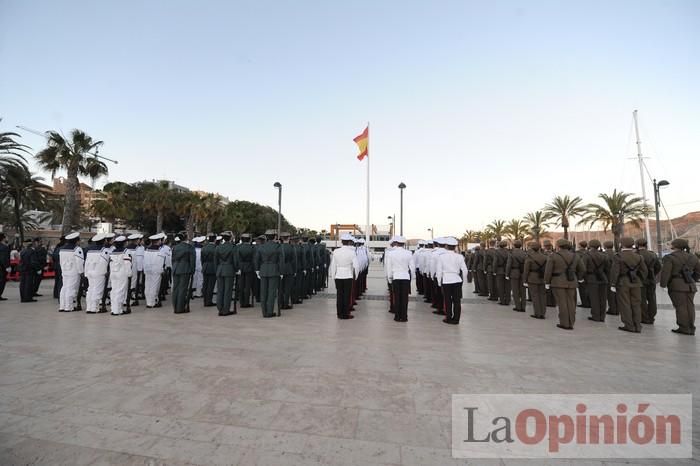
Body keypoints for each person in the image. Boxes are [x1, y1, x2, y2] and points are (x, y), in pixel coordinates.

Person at [660, 238, 699, 335]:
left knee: (680, 307)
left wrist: (663, 285)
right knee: (690, 306)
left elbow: (666, 272)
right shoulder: (693, 257)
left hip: (676, 285)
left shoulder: (669, 257)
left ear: (674, 246)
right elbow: (698, 271)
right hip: (690, 285)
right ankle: (691, 327)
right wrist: (691, 278)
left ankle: (684, 328)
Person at [544, 238, 585, 330]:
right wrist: (579, 278)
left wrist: (547, 282)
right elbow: (582, 269)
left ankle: (564, 323)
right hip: (572, 281)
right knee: (571, 303)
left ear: (558, 246)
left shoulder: (553, 256)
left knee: (562, 303)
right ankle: (571, 322)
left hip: (558, 282)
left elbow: (548, 271)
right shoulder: (575, 256)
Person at [610, 237, 648, 333]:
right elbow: (644, 271)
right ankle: (637, 325)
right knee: (636, 304)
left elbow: (615, 271)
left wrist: (613, 284)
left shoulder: (618, 256)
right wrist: (639, 279)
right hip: (636, 283)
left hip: (623, 283)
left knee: (625, 304)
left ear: (621, 245)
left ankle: (629, 325)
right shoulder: (639, 256)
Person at [436, 236, 468, 324]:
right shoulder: (460, 257)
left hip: (446, 280)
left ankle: (448, 317)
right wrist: (463, 280)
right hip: (457, 279)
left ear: (446, 246)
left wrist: (439, 281)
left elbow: (439, 271)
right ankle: (456, 319)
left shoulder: (441, 257)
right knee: (457, 301)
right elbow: (465, 270)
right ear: (455, 246)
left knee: (447, 300)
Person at [385, 236, 415, 322]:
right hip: (405, 277)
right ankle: (404, 316)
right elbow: (412, 268)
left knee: (397, 298)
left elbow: (389, 268)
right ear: (403, 244)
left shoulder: (391, 254)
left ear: (396, 243)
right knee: (405, 298)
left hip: (396, 277)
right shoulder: (409, 253)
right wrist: (411, 277)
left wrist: (390, 278)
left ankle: (397, 316)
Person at [329, 233, 360, 319]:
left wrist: (333, 276)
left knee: (339, 295)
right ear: (349, 242)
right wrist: (356, 276)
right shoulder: (352, 252)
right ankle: (345, 314)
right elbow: (356, 265)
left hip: (338, 275)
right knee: (346, 296)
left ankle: (339, 313)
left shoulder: (336, 251)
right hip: (348, 275)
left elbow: (333, 265)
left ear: (342, 242)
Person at [255, 230, 283, 318]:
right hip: (274, 270)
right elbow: (281, 261)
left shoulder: (261, 247)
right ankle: (270, 311)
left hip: (263, 270)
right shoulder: (278, 246)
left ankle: (264, 312)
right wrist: (281, 272)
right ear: (274, 237)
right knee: (271, 292)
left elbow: (257, 259)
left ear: (266, 237)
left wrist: (257, 270)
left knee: (263, 292)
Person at [636, 238, 661, 325]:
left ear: (637, 245)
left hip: (640, 280)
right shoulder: (653, 254)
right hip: (651, 279)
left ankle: (645, 317)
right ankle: (651, 316)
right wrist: (653, 274)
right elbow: (658, 267)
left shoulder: (636, 254)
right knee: (652, 298)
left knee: (642, 299)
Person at [84, 233, 110, 313]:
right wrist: (105, 272)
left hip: (90, 272)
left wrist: (86, 273)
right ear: (104, 241)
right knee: (97, 290)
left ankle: (89, 307)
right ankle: (95, 308)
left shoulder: (90, 250)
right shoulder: (104, 250)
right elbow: (105, 262)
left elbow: (86, 262)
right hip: (99, 273)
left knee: (90, 289)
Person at [584, 239, 609, 322]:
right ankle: (602, 316)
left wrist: (582, 278)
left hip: (592, 278)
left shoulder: (587, 255)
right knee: (603, 298)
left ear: (590, 245)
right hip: (603, 278)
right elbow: (608, 268)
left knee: (594, 298)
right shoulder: (604, 255)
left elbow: (583, 268)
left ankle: (596, 316)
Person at [58, 232, 84, 312]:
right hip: (74, 272)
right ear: (76, 241)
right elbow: (79, 262)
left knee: (64, 288)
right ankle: (69, 307)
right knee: (71, 289)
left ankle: (62, 306)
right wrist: (81, 272)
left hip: (65, 271)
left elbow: (61, 261)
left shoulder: (62, 249)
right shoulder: (77, 249)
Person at [171, 234, 195, 314]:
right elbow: (192, 260)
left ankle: (175, 306)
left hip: (175, 268)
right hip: (185, 269)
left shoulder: (175, 247)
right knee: (182, 289)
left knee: (175, 289)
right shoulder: (189, 247)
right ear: (186, 238)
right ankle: (180, 308)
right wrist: (192, 270)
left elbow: (173, 259)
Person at [109, 236, 133, 315]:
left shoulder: (112, 251)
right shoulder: (126, 251)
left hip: (113, 273)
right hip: (122, 273)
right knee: (120, 291)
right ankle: (118, 310)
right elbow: (127, 263)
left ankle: (113, 309)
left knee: (114, 291)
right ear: (124, 243)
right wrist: (129, 274)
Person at [216, 231, 238, 316]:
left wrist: (217, 269)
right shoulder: (233, 247)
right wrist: (236, 269)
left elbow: (216, 260)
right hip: (229, 270)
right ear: (230, 238)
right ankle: (226, 310)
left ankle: (220, 308)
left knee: (220, 290)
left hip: (220, 269)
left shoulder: (218, 247)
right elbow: (235, 261)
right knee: (227, 291)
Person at [523, 242, 547, 319]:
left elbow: (526, 270)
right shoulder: (545, 257)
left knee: (535, 296)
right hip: (542, 278)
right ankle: (543, 313)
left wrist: (525, 280)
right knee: (543, 296)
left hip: (532, 278)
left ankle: (537, 313)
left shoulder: (529, 257)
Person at [144, 233, 166, 308]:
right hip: (156, 270)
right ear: (159, 241)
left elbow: (145, 261)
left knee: (147, 286)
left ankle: (148, 302)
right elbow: (160, 261)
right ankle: (152, 302)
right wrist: (161, 270)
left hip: (148, 270)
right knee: (154, 286)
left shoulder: (146, 250)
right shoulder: (161, 250)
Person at [506, 239, 527, 312]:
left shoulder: (511, 253)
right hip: (523, 272)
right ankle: (523, 306)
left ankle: (518, 306)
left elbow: (509, 265)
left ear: (514, 245)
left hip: (514, 272)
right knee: (523, 291)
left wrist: (507, 274)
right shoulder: (524, 253)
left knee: (515, 290)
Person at [278, 232, 297, 310]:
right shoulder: (292, 247)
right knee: (287, 288)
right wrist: (294, 270)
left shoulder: (279, 247)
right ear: (288, 238)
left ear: (282, 238)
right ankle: (286, 304)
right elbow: (294, 260)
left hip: (280, 269)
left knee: (280, 288)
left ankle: (280, 303)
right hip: (289, 268)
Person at [236, 233, 255, 308]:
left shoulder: (238, 247)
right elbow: (254, 259)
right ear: (249, 239)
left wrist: (237, 267)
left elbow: (237, 259)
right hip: (249, 267)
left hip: (240, 267)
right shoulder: (252, 248)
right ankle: (246, 302)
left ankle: (241, 301)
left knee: (241, 285)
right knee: (247, 286)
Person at [201, 234, 218, 307]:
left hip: (205, 266)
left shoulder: (204, 248)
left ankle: (205, 300)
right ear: (214, 240)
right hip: (212, 267)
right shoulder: (216, 248)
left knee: (205, 284)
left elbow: (202, 259)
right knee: (210, 285)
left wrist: (204, 266)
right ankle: (208, 301)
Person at [603, 240, 618, 315]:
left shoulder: (604, 254)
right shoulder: (616, 254)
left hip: (607, 276)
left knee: (610, 294)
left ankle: (612, 309)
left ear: (605, 246)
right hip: (616, 276)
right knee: (616, 294)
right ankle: (617, 308)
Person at [494, 240, 510, 306]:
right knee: (507, 286)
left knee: (500, 286)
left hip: (499, 270)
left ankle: (502, 300)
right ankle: (507, 300)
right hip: (507, 271)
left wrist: (494, 271)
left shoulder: (497, 252)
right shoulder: (509, 252)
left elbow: (495, 262)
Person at [576, 241, 590, 308]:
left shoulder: (577, 253)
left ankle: (585, 303)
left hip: (581, 273)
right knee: (589, 289)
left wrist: (579, 277)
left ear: (580, 246)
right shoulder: (588, 252)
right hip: (589, 274)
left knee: (582, 290)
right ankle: (589, 302)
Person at [542, 239, 557, 307]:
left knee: (546, 289)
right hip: (554, 274)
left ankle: (548, 302)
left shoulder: (543, 254)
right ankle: (553, 302)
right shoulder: (555, 254)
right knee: (553, 289)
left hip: (546, 273)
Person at [0, 233, 10, 301]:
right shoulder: (4, 247)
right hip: (2, 268)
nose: (7, 238)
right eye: (6, 237)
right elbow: (4, 258)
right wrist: (7, 266)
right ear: (3, 238)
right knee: (2, 281)